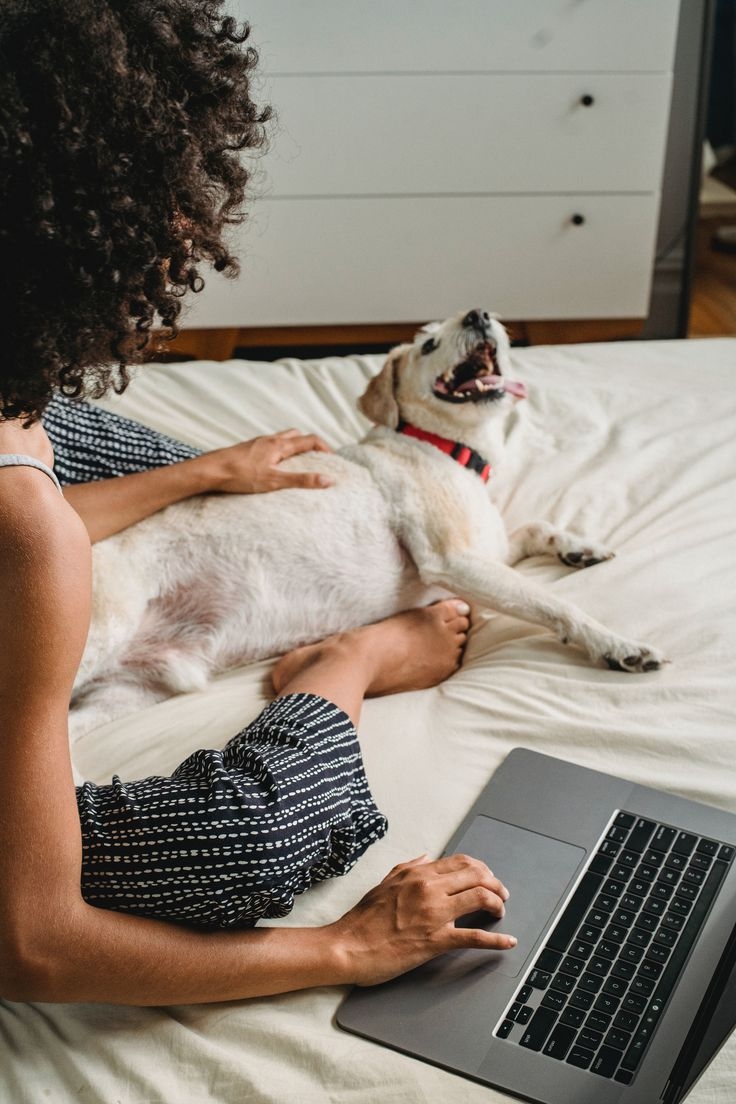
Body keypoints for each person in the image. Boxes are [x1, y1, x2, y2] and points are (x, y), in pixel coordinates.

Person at [0, 0, 516, 1006]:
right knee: (234, 841)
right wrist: (348, 950)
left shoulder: (26, 458)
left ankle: (217, 495)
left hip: (31, 530)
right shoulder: (27, 537)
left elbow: (29, 499)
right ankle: (344, 663)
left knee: (125, 447)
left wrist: (202, 477)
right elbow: (34, 946)